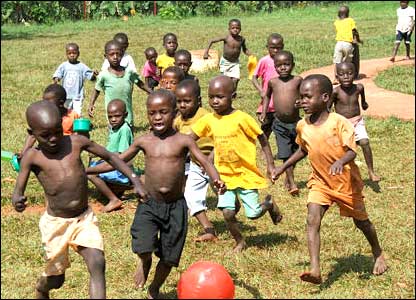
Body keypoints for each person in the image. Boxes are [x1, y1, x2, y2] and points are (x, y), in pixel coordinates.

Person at [86, 89, 226, 299]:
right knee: (142, 245)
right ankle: (144, 261)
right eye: (152, 113)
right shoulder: (144, 141)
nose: (158, 117)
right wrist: (88, 170)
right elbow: (118, 160)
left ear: (175, 112)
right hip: (149, 204)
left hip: (176, 206)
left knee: (170, 257)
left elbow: (204, 161)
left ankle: (154, 288)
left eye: (163, 112)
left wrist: (216, 178)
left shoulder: (184, 141)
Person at [12, 100, 146, 299]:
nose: (53, 139)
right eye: (45, 135)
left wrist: (135, 179)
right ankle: (42, 288)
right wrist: (17, 199)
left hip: (83, 218)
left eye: (57, 131)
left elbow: (110, 157)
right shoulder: (33, 157)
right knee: (56, 280)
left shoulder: (76, 142)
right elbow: (18, 189)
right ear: (32, 134)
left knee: (97, 262)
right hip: (56, 225)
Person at [274, 74, 388, 285]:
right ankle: (315, 269)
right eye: (301, 97)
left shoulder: (339, 122)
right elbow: (302, 150)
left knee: (362, 223)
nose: (302, 101)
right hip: (321, 183)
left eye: (308, 97)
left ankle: (377, 252)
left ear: (325, 97)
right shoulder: (302, 125)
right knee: (312, 218)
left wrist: (340, 162)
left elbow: (352, 151)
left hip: (346, 183)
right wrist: (283, 167)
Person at [190, 75, 282, 253]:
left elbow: (262, 139)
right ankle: (239, 241)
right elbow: (189, 139)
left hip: (244, 174)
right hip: (223, 176)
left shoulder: (242, 118)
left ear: (233, 96)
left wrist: (270, 165)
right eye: (211, 97)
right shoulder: (209, 119)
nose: (215, 101)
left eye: (220, 97)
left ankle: (269, 204)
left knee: (253, 213)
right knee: (228, 213)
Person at [173, 79, 218, 242]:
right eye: (179, 101)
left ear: (198, 101)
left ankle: (234, 207)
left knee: (225, 196)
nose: (182, 105)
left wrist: (211, 158)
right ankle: (209, 229)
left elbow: (220, 139)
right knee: (191, 196)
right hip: (196, 165)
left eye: (187, 101)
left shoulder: (206, 117)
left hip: (216, 164)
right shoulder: (178, 121)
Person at [329, 62, 381, 182]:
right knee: (344, 150)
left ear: (355, 74)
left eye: (349, 73)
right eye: (342, 74)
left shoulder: (359, 88)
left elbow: (363, 101)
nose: (346, 76)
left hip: (357, 121)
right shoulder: (336, 92)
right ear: (337, 77)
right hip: (342, 124)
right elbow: (328, 107)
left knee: (364, 142)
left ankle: (371, 171)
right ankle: (342, 172)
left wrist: (364, 104)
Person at [261, 51, 303, 196]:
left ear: (293, 65)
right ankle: (291, 182)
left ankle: (288, 175)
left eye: (286, 64)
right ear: (275, 66)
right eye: (279, 65)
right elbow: (266, 97)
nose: (283, 68)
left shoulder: (298, 80)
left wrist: (301, 102)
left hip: (297, 124)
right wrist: (264, 112)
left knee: (298, 151)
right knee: (285, 153)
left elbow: (306, 96)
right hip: (280, 124)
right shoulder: (273, 82)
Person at [88, 99, 137, 213]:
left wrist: (100, 153)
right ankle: (114, 191)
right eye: (110, 117)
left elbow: (121, 155)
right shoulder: (115, 128)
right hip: (114, 165)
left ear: (125, 115)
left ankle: (114, 199)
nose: (113, 119)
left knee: (91, 174)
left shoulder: (124, 130)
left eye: (117, 116)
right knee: (91, 166)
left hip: (121, 170)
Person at [88, 40, 152, 127]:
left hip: (127, 113)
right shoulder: (104, 75)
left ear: (122, 55)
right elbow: (96, 90)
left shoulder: (129, 72)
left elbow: (140, 84)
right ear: (106, 56)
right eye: (111, 54)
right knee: (114, 131)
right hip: (112, 114)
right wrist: (91, 104)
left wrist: (152, 92)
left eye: (118, 54)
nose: (115, 57)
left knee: (128, 131)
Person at [19, 84, 80, 158]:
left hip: (66, 151)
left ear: (61, 103)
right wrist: (24, 153)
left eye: (49, 102)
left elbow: (78, 136)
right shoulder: (42, 118)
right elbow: (32, 136)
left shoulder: (73, 116)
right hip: (46, 150)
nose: (45, 104)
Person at [203, 19, 252, 91]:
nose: (235, 30)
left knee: (236, 79)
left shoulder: (241, 39)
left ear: (240, 29)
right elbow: (211, 41)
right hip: (225, 62)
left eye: (237, 28)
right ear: (229, 29)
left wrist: (250, 55)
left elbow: (244, 49)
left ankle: (233, 93)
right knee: (226, 80)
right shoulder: (226, 37)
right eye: (233, 28)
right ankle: (224, 91)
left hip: (235, 63)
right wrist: (206, 52)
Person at [252, 33, 284, 140]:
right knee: (266, 127)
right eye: (272, 48)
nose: (275, 51)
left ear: (282, 47)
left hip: (281, 100)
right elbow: (254, 77)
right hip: (268, 101)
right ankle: (264, 149)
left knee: (280, 127)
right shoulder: (264, 61)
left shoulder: (284, 61)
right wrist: (261, 91)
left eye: (278, 48)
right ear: (267, 47)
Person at [52, 42, 98, 116]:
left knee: (77, 113)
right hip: (66, 95)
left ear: (78, 53)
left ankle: (76, 127)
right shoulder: (64, 65)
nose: (72, 55)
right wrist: (56, 79)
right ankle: (66, 126)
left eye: (74, 53)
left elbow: (91, 77)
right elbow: (57, 74)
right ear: (66, 54)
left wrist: (94, 75)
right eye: (69, 53)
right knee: (65, 113)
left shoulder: (82, 66)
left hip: (78, 95)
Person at [332, 5, 362, 84]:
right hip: (347, 44)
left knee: (337, 62)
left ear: (338, 14)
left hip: (338, 44)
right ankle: (348, 78)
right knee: (347, 63)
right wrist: (357, 39)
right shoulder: (350, 20)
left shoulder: (336, 22)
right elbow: (354, 31)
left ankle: (336, 78)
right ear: (348, 14)